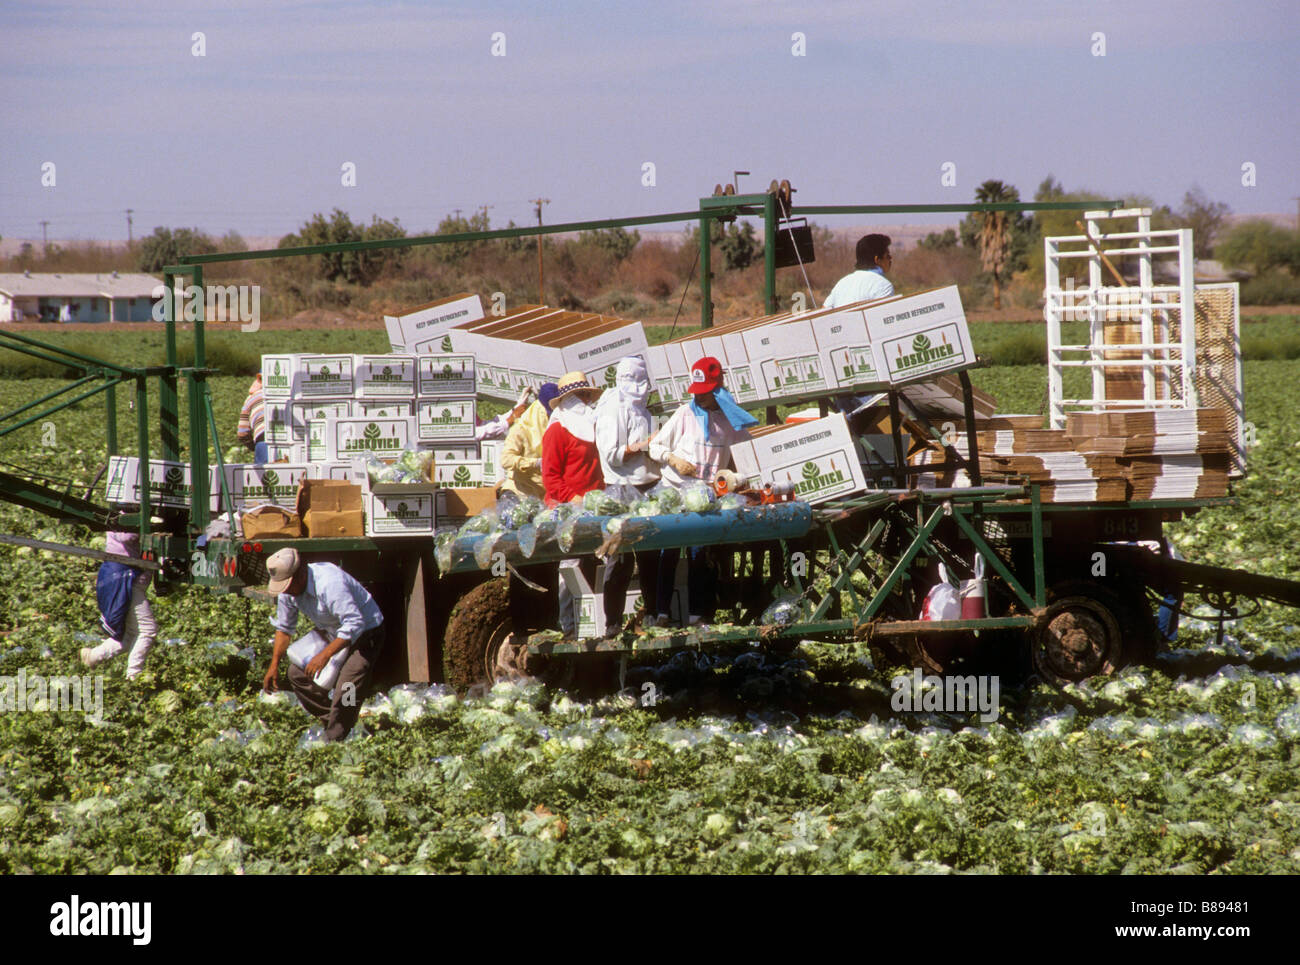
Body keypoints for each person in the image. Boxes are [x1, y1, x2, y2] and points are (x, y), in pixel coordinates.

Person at [647, 356, 757, 625]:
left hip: (706, 495)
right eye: (698, 393)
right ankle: (661, 612)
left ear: (717, 390)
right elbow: (655, 446)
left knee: (699, 553)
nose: (701, 398)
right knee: (669, 549)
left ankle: (697, 615)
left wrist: (733, 479)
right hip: (674, 489)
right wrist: (674, 460)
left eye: (706, 393)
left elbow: (746, 454)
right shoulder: (685, 414)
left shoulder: (730, 420)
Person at [261, 548, 385, 743]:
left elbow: (355, 623)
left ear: (300, 574)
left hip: (364, 634)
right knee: (296, 675)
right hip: (332, 632)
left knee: (348, 688)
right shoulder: (288, 589)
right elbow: (285, 628)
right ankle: (340, 721)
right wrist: (274, 664)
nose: (286, 592)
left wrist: (324, 656)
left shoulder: (329, 582)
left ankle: (336, 738)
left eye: (288, 586)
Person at [594, 356, 660, 636]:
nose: (639, 387)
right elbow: (612, 455)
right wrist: (643, 445)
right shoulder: (612, 409)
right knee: (619, 558)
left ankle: (655, 617)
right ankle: (612, 624)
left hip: (649, 486)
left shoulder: (643, 407)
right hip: (621, 489)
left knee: (650, 555)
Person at [542, 371, 605, 637]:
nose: (583, 400)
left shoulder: (595, 424)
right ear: (567, 400)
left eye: (585, 395)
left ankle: (596, 622)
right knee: (569, 566)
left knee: (599, 562)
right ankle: (569, 625)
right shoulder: (557, 429)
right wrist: (572, 497)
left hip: (595, 506)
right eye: (578, 395)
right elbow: (550, 477)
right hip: (567, 507)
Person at [81, 530, 156, 679]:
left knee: (129, 636)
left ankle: (93, 656)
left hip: (129, 580)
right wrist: (147, 526)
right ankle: (134, 676)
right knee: (147, 630)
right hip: (123, 580)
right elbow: (124, 535)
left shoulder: (128, 510)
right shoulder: (122, 514)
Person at [498, 382, 559, 510]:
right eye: (548, 413)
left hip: (543, 496)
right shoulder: (521, 429)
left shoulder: (556, 427)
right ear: (540, 410)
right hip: (520, 494)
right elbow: (506, 460)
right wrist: (535, 463)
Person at [823, 233, 894, 309]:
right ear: (877, 260)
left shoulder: (842, 283)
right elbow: (883, 317)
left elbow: (823, 311)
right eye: (888, 256)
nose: (891, 258)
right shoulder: (883, 286)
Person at [237, 373, 268, 466]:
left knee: (265, 478)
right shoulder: (293, 395)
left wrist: (253, 447)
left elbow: (242, 433)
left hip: (263, 440)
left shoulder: (252, 398)